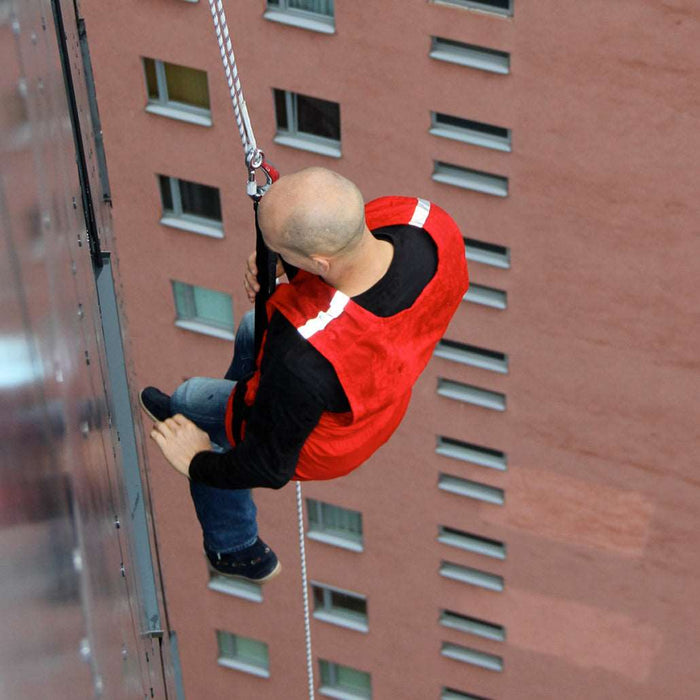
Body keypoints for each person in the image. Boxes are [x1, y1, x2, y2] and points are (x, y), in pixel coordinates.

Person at [140, 167, 469, 583]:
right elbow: (328, 233)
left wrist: (196, 461)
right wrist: (284, 255)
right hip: (373, 384)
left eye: (281, 253)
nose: (273, 259)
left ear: (319, 263)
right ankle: (228, 414)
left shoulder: (304, 352)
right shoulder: (423, 220)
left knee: (189, 402)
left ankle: (235, 548)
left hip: (322, 440)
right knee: (248, 328)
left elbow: (269, 466)